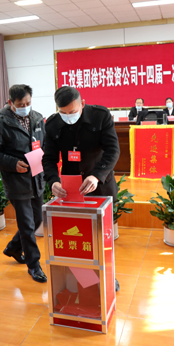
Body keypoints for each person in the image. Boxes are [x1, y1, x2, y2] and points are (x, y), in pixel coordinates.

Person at [43, 87, 121, 292]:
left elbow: (113, 150)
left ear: (82, 104)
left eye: (72, 111)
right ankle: (85, 279)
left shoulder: (100, 116)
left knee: (102, 236)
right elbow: (49, 158)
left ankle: (107, 276)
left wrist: (97, 175)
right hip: (71, 189)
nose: (68, 116)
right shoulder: (52, 124)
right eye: (63, 113)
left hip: (100, 185)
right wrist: (53, 181)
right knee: (77, 236)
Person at [0, 85, 47, 283]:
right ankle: (34, 264)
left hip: (36, 177)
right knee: (27, 225)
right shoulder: (0, 124)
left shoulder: (38, 118)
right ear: (11, 102)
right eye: (21, 104)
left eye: (28, 103)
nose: (25, 107)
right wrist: (12, 163)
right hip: (16, 180)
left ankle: (13, 247)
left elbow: (43, 144)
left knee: (37, 219)